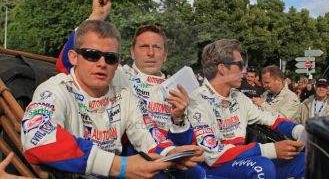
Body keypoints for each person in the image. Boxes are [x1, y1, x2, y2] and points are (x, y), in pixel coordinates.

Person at [21, 20, 204, 178]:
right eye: (92, 55)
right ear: (74, 57)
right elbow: (37, 137)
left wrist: (169, 152)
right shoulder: (54, 89)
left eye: (110, 58)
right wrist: (119, 166)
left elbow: (143, 129)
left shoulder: (122, 84)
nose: (102, 63)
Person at [56, 0, 205, 177]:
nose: (150, 53)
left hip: (166, 156)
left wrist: (179, 117)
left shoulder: (180, 87)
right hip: (130, 158)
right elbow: (67, 62)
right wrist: (97, 17)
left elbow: (185, 145)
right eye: (143, 47)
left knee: (197, 173)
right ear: (132, 53)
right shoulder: (118, 73)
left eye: (156, 47)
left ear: (165, 54)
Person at [188, 39, 305, 179]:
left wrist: (300, 131)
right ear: (222, 68)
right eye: (240, 65)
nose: (244, 71)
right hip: (214, 167)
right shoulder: (196, 101)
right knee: (261, 167)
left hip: (244, 160)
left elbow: (271, 119)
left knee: (304, 161)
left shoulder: (239, 97)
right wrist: (271, 150)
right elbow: (213, 155)